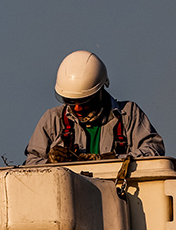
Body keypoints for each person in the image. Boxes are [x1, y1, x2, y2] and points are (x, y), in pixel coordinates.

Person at [24, 50, 164, 165]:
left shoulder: (127, 114)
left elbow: (154, 150)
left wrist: (112, 161)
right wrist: (50, 163)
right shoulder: (52, 120)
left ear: (100, 92)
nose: (77, 108)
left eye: (84, 101)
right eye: (70, 101)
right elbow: (30, 164)